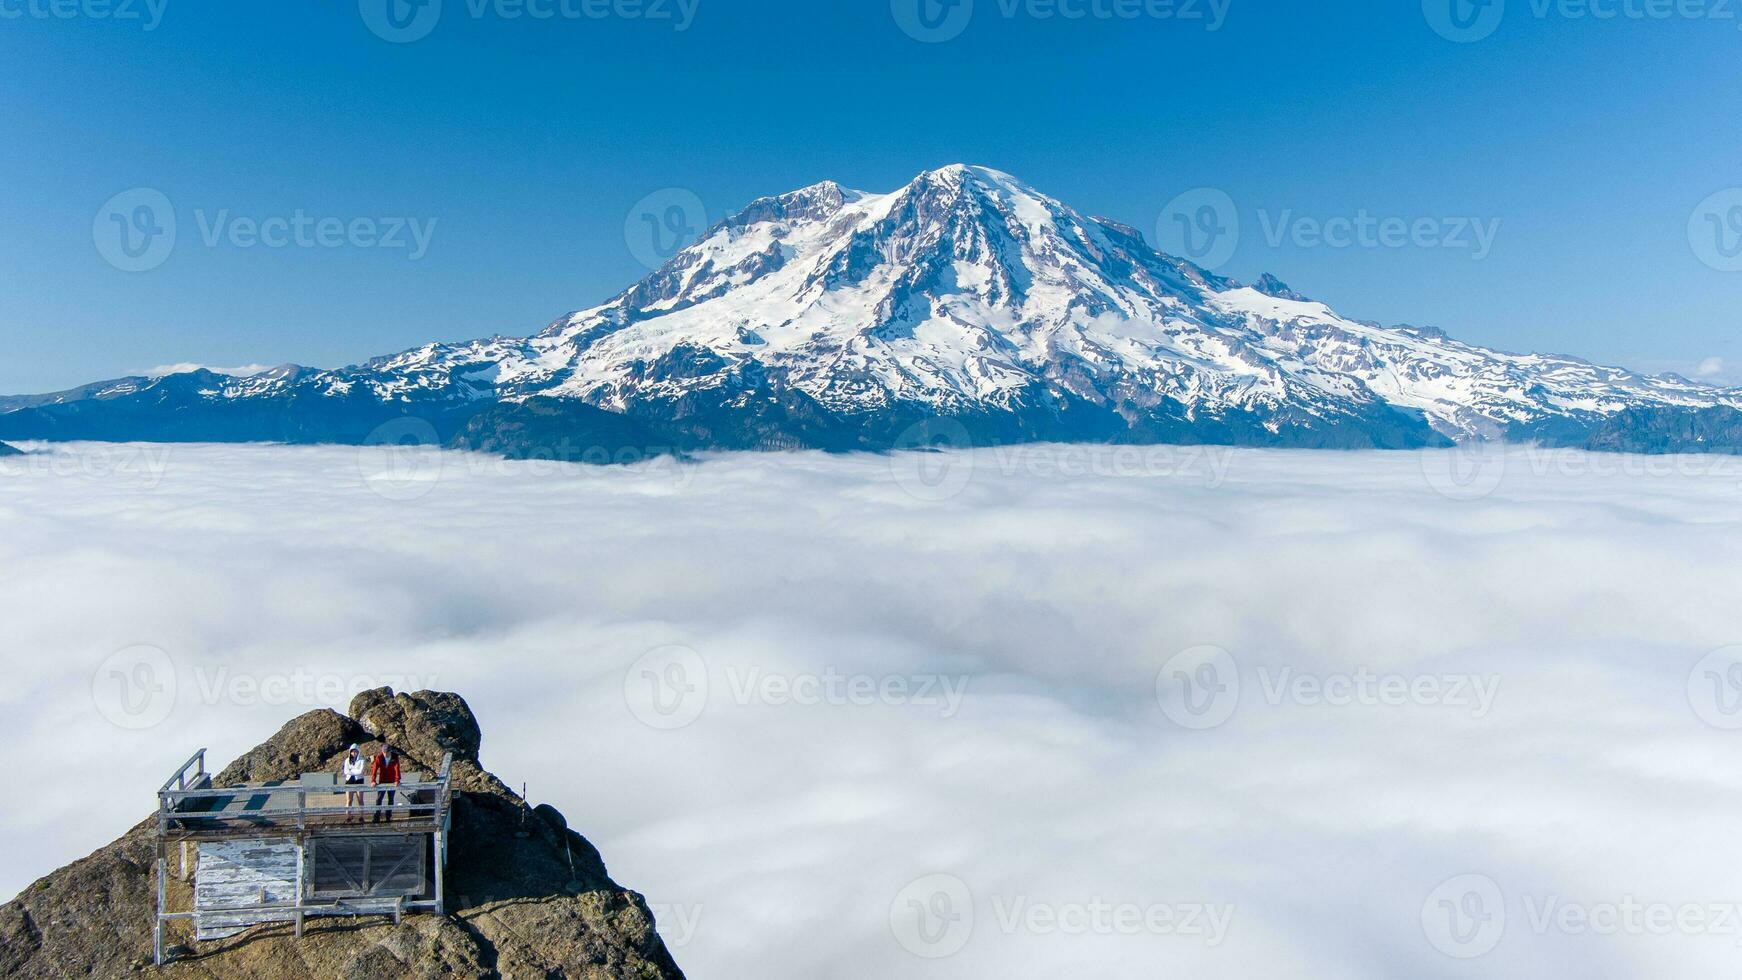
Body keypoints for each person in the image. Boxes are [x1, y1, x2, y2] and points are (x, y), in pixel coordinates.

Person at [370, 745, 402, 824]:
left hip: (392, 781)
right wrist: (373, 780)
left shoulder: (394, 757)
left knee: (390, 798)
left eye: (386, 753)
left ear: (390, 752)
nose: (385, 754)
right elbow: (374, 768)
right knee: (379, 798)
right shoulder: (379, 757)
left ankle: (388, 816)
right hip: (382, 780)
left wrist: (397, 780)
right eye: (383, 752)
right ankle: (377, 816)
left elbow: (397, 769)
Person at [340, 744, 367, 823]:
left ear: (358, 752)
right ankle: (348, 816)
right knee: (349, 800)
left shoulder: (362, 760)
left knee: (360, 800)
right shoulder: (347, 760)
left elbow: (360, 771)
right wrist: (355, 771)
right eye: (352, 752)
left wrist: (351, 770)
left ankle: (362, 816)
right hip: (349, 781)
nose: (354, 753)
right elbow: (345, 771)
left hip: (359, 780)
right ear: (350, 752)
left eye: (355, 752)